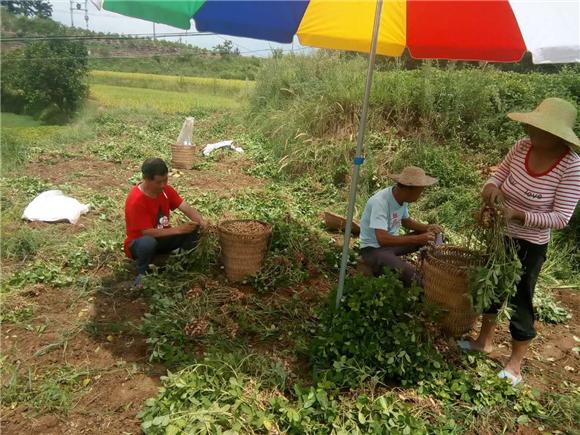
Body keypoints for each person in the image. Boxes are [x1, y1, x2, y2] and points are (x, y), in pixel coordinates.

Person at [458, 98, 580, 386]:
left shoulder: (572, 166)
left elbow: (561, 217)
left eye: (537, 128)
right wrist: (491, 194)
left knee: (520, 298)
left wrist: (519, 215)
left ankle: (514, 365)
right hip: (500, 235)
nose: (529, 131)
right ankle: (483, 341)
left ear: (556, 136)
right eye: (531, 126)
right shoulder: (521, 147)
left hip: (530, 244)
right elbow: (496, 177)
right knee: (491, 287)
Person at [124, 158, 207, 287]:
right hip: (139, 243)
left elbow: (185, 207)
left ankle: (180, 264)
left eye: (165, 180)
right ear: (146, 178)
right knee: (148, 242)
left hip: (163, 237)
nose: (163, 185)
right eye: (158, 182)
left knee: (194, 231)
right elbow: (147, 232)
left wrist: (201, 221)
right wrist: (179, 229)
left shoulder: (166, 191)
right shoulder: (136, 200)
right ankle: (143, 273)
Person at [359, 166, 442, 287]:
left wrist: (428, 228)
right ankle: (429, 292)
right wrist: (418, 239)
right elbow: (382, 239)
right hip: (373, 250)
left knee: (433, 235)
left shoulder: (401, 199)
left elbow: (406, 222)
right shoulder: (380, 202)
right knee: (413, 277)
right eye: (420, 191)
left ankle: (435, 267)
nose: (421, 195)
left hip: (391, 246)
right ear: (408, 190)